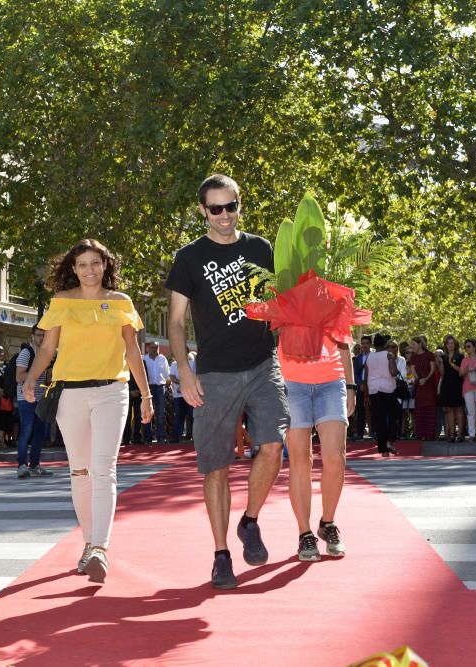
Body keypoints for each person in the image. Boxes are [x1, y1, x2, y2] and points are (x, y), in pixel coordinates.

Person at [166, 174, 290, 589]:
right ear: (203, 210)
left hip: (261, 364)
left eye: (230, 206)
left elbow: (278, 302)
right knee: (215, 467)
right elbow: (177, 322)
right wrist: (183, 369)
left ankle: (250, 521)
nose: (224, 216)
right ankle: (221, 554)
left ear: (239, 204)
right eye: (215, 208)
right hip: (214, 374)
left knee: (273, 447)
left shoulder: (261, 248)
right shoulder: (188, 257)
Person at [23, 238, 153, 584]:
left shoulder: (121, 302)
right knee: (79, 471)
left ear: (106, 265)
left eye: (96, 263)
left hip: (113, 390)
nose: (90, 270)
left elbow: (131, 350)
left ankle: (100, 547)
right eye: (83, 264)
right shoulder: (61, 301)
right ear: (73, 268)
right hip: (69, 394)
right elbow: (48, 346)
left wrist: (146, 395)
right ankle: (88, 543)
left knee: (104, 469)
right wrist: (29, 380)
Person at [279, 309, 357, 561]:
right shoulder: (281, 287)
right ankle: (305, 534)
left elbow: (344, 340)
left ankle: (328, 522)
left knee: (335, 458)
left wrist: (351, 385)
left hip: (331, 382)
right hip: (291, 382)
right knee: (300, 459)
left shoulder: (333, 291)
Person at [14, 327, 54, 478]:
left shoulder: (45, 354)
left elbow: (45, 380)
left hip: (40, 398)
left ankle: (35, 465)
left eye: (44, 335)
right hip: (25, 398)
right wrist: (37, 370)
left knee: (40, 433)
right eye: (39, 335)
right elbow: (19, 377)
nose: (42, 338)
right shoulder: (26, 353)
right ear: (32, 336)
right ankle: (21, 466)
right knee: (27, 431)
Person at [366, 333, 399, 457]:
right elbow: (393, 372)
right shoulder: (389, 355)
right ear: (385, 344)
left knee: (379, 421)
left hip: (374, 390)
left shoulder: (369, 357)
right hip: (388, 390)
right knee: (392, 417)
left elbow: (366, 375)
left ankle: (383, 450)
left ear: (374, 344)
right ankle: (390, 441)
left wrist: (366, 395)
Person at [438, 335, 465, 442]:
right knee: (449, 410)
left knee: (459, 409)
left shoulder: (460, 356)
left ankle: (460, 435)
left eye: (452, 343)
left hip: (457, 384)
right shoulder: (443, 356)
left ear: (455, 344)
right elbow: (442, 373)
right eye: (448, 343)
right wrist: (440, 363)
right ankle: (452, 434)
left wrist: (451, 363)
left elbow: (461, 372)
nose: (450, 345)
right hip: (446, 384)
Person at [142, 342, 170, 443]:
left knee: (160, 413)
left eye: (156, 347)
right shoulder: (143, 359)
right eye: (152, 347)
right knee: (147, 413)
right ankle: (148, 438)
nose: (155, 349)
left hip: (160, 388)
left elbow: (167, 374)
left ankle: (160, 437)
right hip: (148, 388)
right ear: (148, 348)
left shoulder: (163, 359)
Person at [410, 335, 437, 440]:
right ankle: (421, 435)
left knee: (430, 410)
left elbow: (432, 368)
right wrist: (419, 378)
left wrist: (425, 378)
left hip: (429, 386)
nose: (412, 346)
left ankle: (430, 435)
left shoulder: (430, 355)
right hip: (419, 387)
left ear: (420, 344)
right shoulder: (413, 357)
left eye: (414, 344)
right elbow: (413, 370)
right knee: (419, 411)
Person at [169, 349, 196, 442]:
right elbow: (172, 376)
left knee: (193, 416)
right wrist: (182, 382)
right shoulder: (174, 364)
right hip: (178, 396)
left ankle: (195, 437)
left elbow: (194, 376)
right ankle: (176, 437)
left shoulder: (192, 363)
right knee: (179, 416)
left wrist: (184, 384)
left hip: (191, 394)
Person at [351, 335, 371, 439]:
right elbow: (355, 374)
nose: (364, 345)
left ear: (370, 344)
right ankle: (360, 433)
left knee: (373, 410)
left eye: (366, 343)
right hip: (361, 387)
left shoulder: (374, 356)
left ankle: (374, 432)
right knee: (360, 411)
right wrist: (360, 384)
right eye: (363, 343)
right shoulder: (358, 359)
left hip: (372, 387)